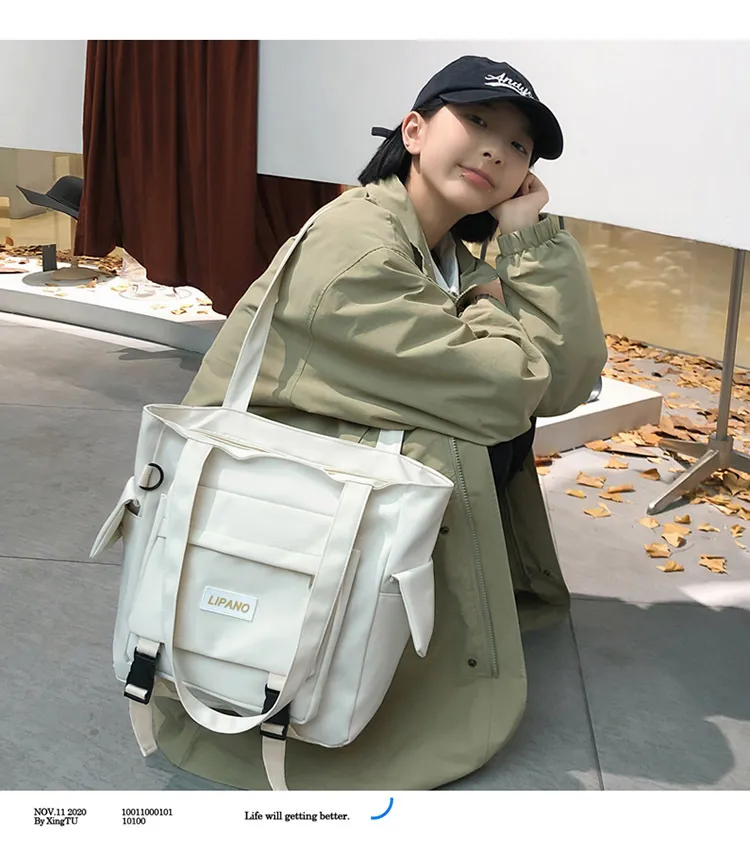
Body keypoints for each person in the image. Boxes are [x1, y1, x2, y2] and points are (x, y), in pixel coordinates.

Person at [150, 55, 608, 790]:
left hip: (325, 512)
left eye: (519, 144)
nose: (496, 150)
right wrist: (493, 308)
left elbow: (565, 379)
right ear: (415, 131)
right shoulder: (358, 245)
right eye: (477, 121)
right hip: (284, 520)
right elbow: (511, 390)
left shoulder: (444, 253)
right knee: (469, 421)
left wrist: (528, 238)